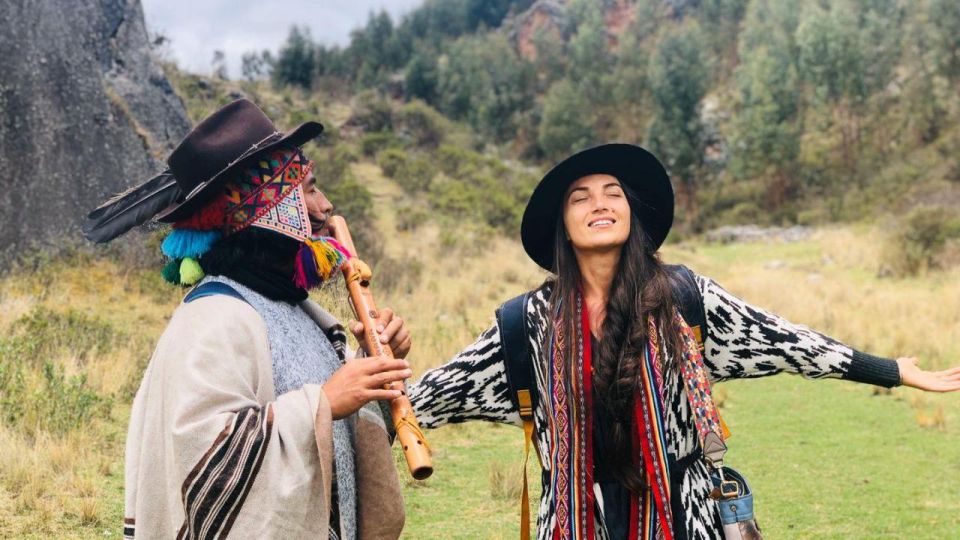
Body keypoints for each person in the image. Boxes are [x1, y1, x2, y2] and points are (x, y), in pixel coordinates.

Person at [399, 144, 960, 539]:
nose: (600, 203)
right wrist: (349, 394)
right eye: (581, 197)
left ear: (630, 213)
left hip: (686, 517)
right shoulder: (524, 323)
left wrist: (889, 370)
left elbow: (789, 341)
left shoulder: (684, 299)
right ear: (561, 226)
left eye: (613, 193)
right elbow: (424, 401)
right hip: (572, 520)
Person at [84, 99, 412, 539]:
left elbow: (341, 444)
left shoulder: (292, 310)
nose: (325, 207)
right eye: (309, 189)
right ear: (271, 209)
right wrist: (323, 404)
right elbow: (201, 459)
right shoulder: (213, 319)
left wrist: (375, 368)